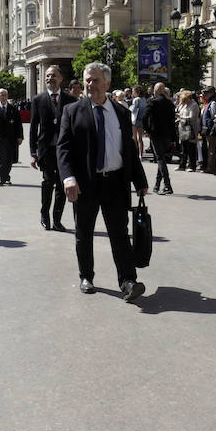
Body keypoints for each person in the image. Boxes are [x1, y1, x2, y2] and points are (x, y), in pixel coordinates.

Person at [56, 61, 148, 301]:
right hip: (85, 184)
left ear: (107, 84)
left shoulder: (121, 112)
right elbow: (63, 149)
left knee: (119, 233)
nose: (90, 84)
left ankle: (128, 281)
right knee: (84, 232)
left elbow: (127, 148)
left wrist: (140, 179)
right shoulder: (72, 111)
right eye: (87, 79)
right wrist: (68, 177)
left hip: (116, 182)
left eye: (95, 80)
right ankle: (86, 275)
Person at [28, 65, 69, 231]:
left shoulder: (70, 100)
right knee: (47, 182)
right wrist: (33, 153)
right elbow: (33, 127)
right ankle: (44, 214)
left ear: (60, 78)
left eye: (53, 76)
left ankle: (57, 219)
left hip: (64, 151)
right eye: (47, 76)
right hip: (46, 150)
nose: (49, 78)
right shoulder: (38, 100)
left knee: (62, 185)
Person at [0, 87, 24, 186]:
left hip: (11, 138)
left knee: (9, 159)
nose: (4, 97)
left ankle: (6, 176)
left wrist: (20, 136)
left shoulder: (13, 108)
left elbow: (18, 124)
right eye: (1, 95)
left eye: (5, 95)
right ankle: (0, 178)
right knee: (0, 158)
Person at [146, 82, 177, 194]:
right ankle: (157, 185)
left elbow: (145, 117)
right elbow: (172, 123)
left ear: (155, 90)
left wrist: (148, 131)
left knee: (160, 159)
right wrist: (173, 138)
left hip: (156, 134)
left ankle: (167, 185)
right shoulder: (170, 104)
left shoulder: (152, 102)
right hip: (167, 135)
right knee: (161, 159)